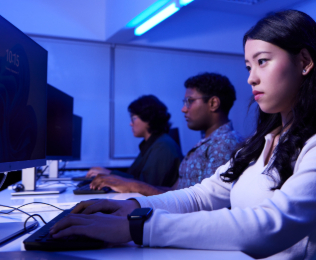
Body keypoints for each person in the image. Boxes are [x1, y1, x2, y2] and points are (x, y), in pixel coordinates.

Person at [50, 10, 316, 260]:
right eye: (248, 67)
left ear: (304, 62)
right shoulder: (261, 143)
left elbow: (271, 225)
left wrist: (139, 227)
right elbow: (202, 196)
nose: (251, 78)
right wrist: (132, 207)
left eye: (262, 62)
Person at [90, 73, 243, 195]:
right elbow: (175, 193)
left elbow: (205, 203)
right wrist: (130, 185)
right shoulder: (207, 142)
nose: (184, 109)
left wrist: (134, 186)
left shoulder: (225, 143)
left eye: (190, 101)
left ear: (213, 103)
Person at [87, 95, 182, 188]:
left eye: (133, 118)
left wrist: (110, 174)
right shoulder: (151, 144)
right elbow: (134, 176)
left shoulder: (163, 146)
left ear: (148, 118)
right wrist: (109, 174)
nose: (130, 123)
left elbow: (147, 186)